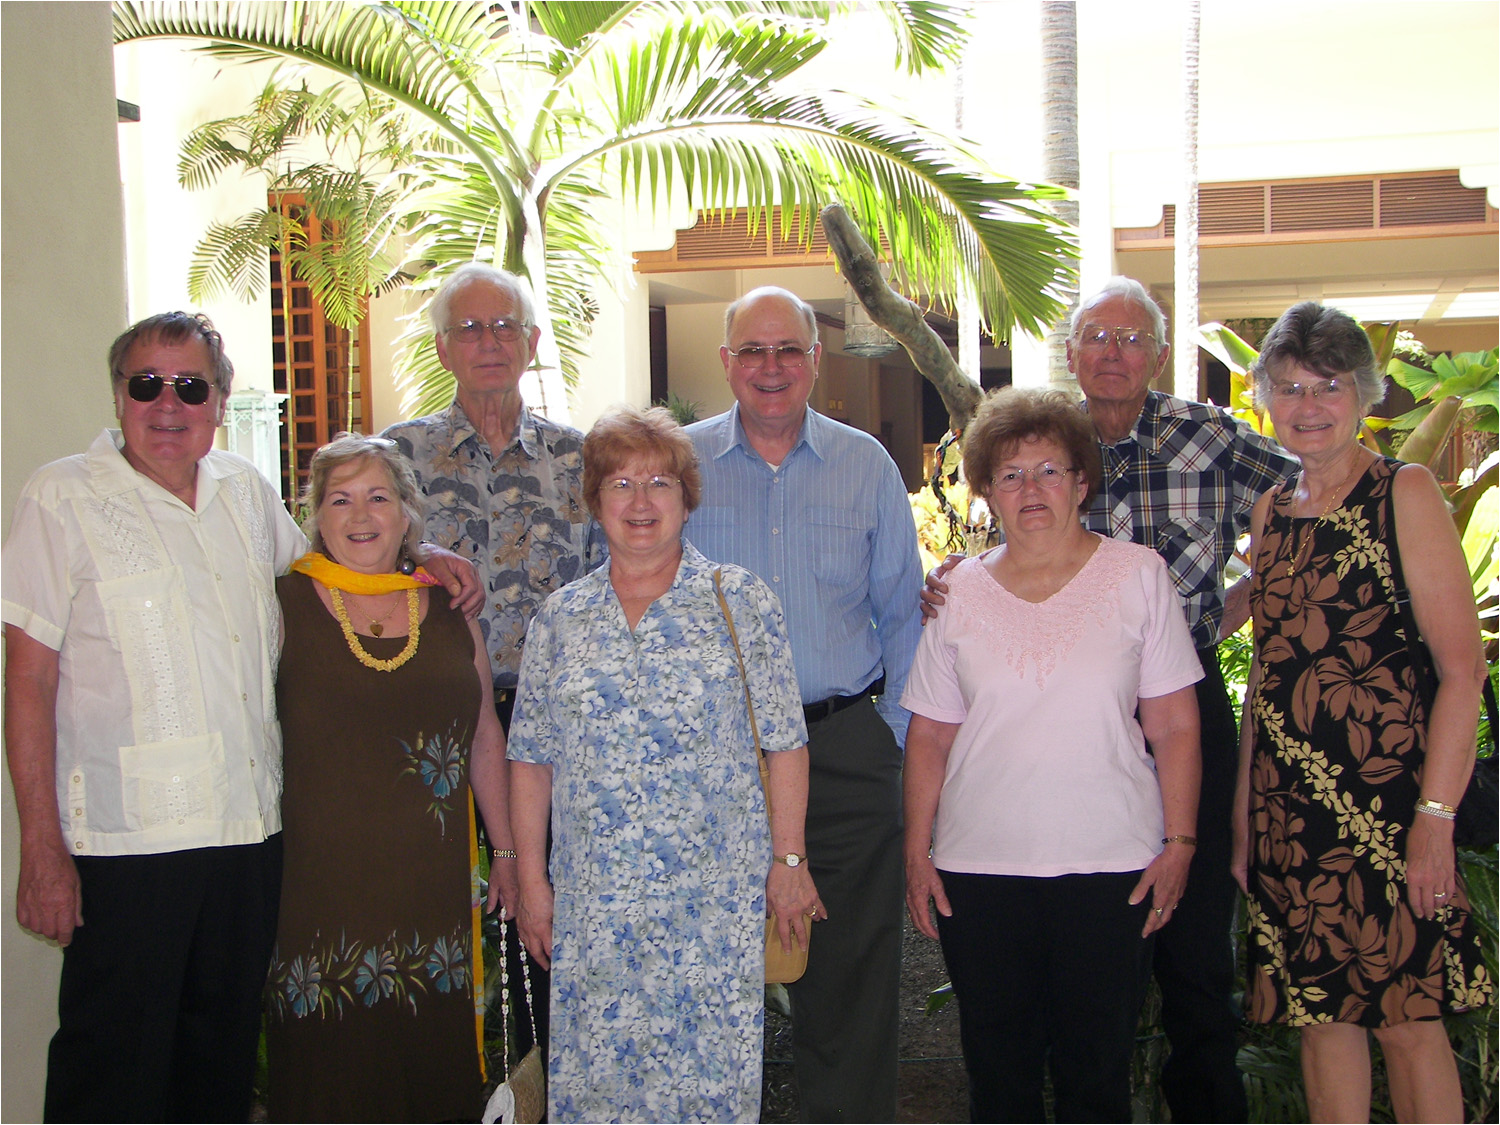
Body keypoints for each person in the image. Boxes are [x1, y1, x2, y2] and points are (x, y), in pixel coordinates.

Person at [1, 312, 478, 1122]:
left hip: (251, 842)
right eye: (146, 383)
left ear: (220, 401)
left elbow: (338, 569)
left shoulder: (246, 495)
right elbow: (28, 680)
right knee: (110, 1068)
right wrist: (41, 844)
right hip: (127, 846)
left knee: (216, 1071)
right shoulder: (62, 496)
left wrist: (420, 556)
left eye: (190, 386)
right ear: (119, 394)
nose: (167, 404)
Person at [926, 277, 1298, 1120]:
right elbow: (1006, 552)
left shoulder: (1206, 435)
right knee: (1083, 943)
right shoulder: (1045, 437)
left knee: (1195, 947)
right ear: (1073, 352)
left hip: (1179, 701)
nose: (1113, 353)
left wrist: (1239, 602)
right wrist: (950, 586)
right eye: (1096, 336)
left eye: (1131, 339)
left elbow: (1302, 495)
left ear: (1159, 355)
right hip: (1062, 704)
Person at [508, 406, 822, 1122]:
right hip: (596, 911)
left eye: (659, 482)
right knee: (598, 1094)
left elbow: (785, 741)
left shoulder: (740, 602)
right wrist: (532, 880)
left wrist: (791, 861)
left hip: (711, 909)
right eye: (619, 484)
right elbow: (529, 758)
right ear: (595, 502)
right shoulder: (559, 619)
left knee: (706, 1095)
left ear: (687, 497)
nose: (640, 502)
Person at [903, 386, 1203, 1121]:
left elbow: (1174, 725)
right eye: (1010, 474)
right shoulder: (955, 591)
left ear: (1081, 481)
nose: (1030, 488)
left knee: (1095, 1077)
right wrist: (917, 851)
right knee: (998, 1079)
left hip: (1112, 869)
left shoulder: (1138, 574)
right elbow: (931, 735)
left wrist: (1181, 841)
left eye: (1049, 469)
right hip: (980, 871)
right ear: (986, 493)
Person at [1232, 302, 1491, 1122]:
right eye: (1290, 386)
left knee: (1410, 1021)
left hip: (1393, 806)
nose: (1308, 406)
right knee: (1320, 1021)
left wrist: (1435, 818)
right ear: (1266, 397)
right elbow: (1270, 677)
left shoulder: (1402, 492)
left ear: (1365, 393)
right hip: (1290, 814)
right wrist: (1244, 819)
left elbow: (1462, 669)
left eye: (1329, 385)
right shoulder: (1272, 510)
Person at [683, 286, 924, 1121]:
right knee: (708, 985)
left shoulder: (867, 467)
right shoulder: (678, 469)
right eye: (753, 350)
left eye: (789, 349)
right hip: (712, 765)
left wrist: (883, 739)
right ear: (727, 363)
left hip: (845, 755)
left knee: (851, 985)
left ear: (817, 360)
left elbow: (903, 615)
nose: (772, 367)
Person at [264, 435, 518, 1120]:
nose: (361, 513)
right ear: (314, 515)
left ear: (407, 513)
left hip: (429, 892)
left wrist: (508, 852)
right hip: (318, 893)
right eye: (340, 498)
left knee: (425, 1066)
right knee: (331, 1069)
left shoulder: (448, 607)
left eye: (379, 495)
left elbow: (484, 737)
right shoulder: (279, 606)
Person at [386, 263, 601, 1053]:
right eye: (470, 329)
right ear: (443, 348)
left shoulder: (581, 458)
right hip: (437, 729)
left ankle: (545, 1083)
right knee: (448, 914)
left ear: (532, 342)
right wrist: (424, 549)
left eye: (505, 326)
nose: (489, 342)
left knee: (546, 915)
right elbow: (347, 557)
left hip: (556, 729)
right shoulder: (397, 459)